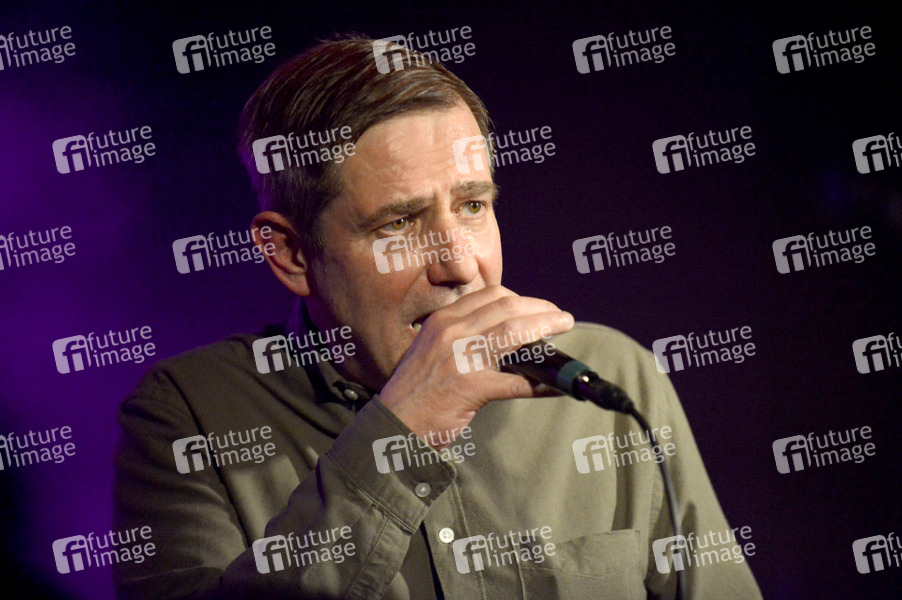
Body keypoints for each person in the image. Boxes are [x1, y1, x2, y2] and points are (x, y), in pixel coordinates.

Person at [113, 36, 761, 599]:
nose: (460, 264)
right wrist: (408, 427)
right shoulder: (187, 417)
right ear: (291, 253)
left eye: (473, 206)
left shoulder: (610, 379)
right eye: (399, 222)